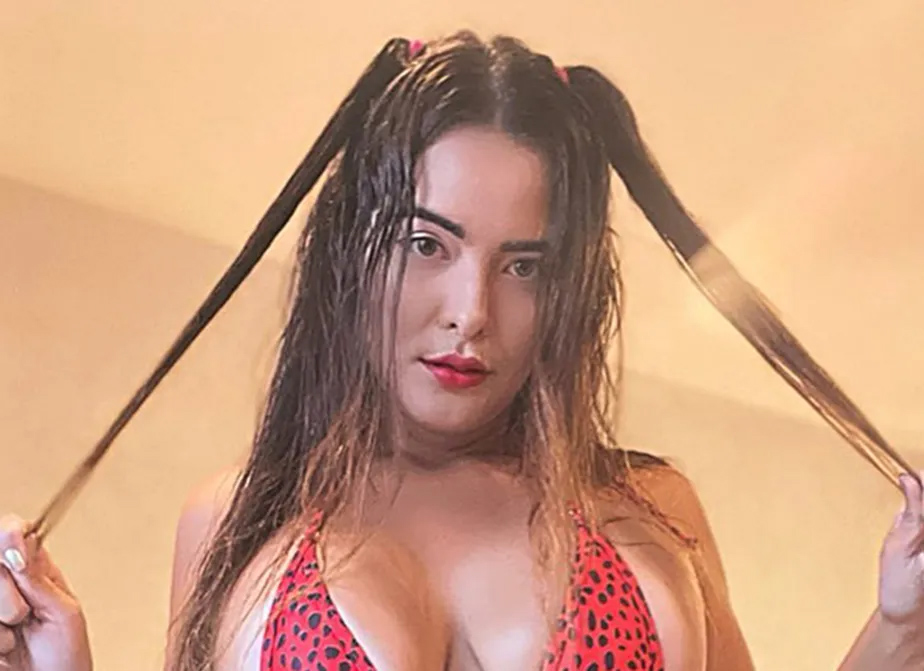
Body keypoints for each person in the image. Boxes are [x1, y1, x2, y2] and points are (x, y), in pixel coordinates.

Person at [0, 32, 922, 671]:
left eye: (523, 265)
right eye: (425, 243)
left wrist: (901, 627)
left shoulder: (650, 506)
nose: (471, 313)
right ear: (349, 253)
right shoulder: (235, 518)